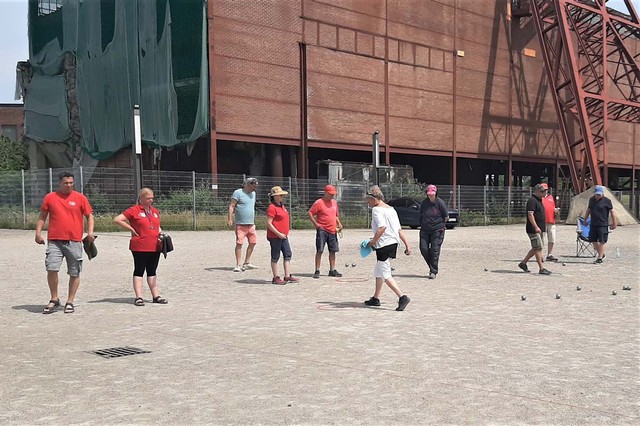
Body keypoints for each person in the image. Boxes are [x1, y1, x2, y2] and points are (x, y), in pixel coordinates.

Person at [35, 171, 95, 314]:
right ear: (60, 183)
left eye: (71, 183)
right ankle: (54, 298)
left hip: (74, 240)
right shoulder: (50, 197)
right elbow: (42, 216)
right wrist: (38, 233)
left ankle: (70, 301)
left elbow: (89, 216)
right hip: (55, 240)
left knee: (74, 271)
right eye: (66, 183)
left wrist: (90, 233)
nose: (69, 185)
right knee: (52, 268)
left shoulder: (80, 198)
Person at [114, 188, 168, 306]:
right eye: (148, 198)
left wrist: (162, 234)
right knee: (139, 270)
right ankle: (139, 296)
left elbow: (157, 226)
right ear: (141, 198)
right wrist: (131, 229)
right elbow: (117, 219)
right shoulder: (134, 210)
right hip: (140, 246)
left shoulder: (155, 211)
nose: (151, 200)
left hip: (155, 245)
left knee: (152, 271)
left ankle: (155, 295)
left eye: (152, 198)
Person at [363, 186, 412, 311]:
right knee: (379, 270)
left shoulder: (376, 210)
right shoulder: (391, 209)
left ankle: (402, 297)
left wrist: (372, 242)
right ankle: (375, 298)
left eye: (368, 200)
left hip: (384, 244)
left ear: (374, 199)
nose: (368, 203)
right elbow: (398, 229)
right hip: (393, 243)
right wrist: (407, 244)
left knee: (385, 274)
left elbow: (382, 227)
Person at [308, 184, 344, 278]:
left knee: (333, 251)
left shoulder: (334, 203)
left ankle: (332, 270)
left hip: (332, 230)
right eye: (330, 194)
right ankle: (317, 270)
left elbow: (335, 215)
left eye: (333, 194)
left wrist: (339, 223)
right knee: (320, 250)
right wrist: (316, 224)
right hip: (322, 230)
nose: (332, 195)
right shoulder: (319, 202)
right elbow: (310, 213)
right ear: (325, 193)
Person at [266, 186, 299, 285]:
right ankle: (275, 277)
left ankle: (287, 275)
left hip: (283, 235)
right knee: (275, 256)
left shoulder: (282, 206)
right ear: (274, 196)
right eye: (280, 195)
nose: (282, 197)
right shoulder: (272, 207)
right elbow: (269, 223)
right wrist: (278, 233)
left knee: (287, 254)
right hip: (275, 236)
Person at [518, 183, 552, 275]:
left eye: (545, 191)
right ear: (536, 191)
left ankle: (523, 263)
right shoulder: (532, 201)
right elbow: (530, 214)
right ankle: (541, 268)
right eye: (542, 191)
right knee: (538, 247)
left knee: (536, 247)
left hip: (539, 229)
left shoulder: (539, 200)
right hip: (533, 229)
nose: (545, 193)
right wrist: (536, 227)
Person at [228, 177, 259, 272]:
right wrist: (230, 219)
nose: (255, 188)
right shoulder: (238, 193)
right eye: (254, 186)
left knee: (253, 242)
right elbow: (232, 206)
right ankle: (238, 264)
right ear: (248, 185)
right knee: (239, 243)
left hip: (251, 224)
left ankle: (247, 262)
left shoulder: (253, 194)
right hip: (241, 224)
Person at [419, 184, 449, 279]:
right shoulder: (424, 203)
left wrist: (440, 226)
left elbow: (446, 216)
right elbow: (421, 214)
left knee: (434, 250)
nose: (430, 195)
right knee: (423, 249)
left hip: (437, 230)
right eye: (429, 194)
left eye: (432, 194)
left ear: (436, 193)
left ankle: (433, 271)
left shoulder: (440, 203)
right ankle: (432, 266)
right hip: (425, 230)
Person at [584, 185, 618, 264]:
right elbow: (588, 210)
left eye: (599, 194)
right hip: (593, 223)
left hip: (603, 224)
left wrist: (614, 223)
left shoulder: (607, 201)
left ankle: (599, 257)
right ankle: (601, 254)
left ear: (602, 194)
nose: (598, 196)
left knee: (602, 241)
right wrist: (585, 219)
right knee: (592, 240)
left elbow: (612, 212)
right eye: (597, 194)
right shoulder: (592, 200)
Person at [540, 183, 560, 262]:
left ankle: (549, 254)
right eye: (543, 190)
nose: (544, 191)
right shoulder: (539, 198)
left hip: (551, 221)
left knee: (552, 238)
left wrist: (556, 211)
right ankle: (540, 255)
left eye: (545, 190)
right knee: (541, 239)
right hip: (542, 221)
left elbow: (553, 207)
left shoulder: (551, 197)